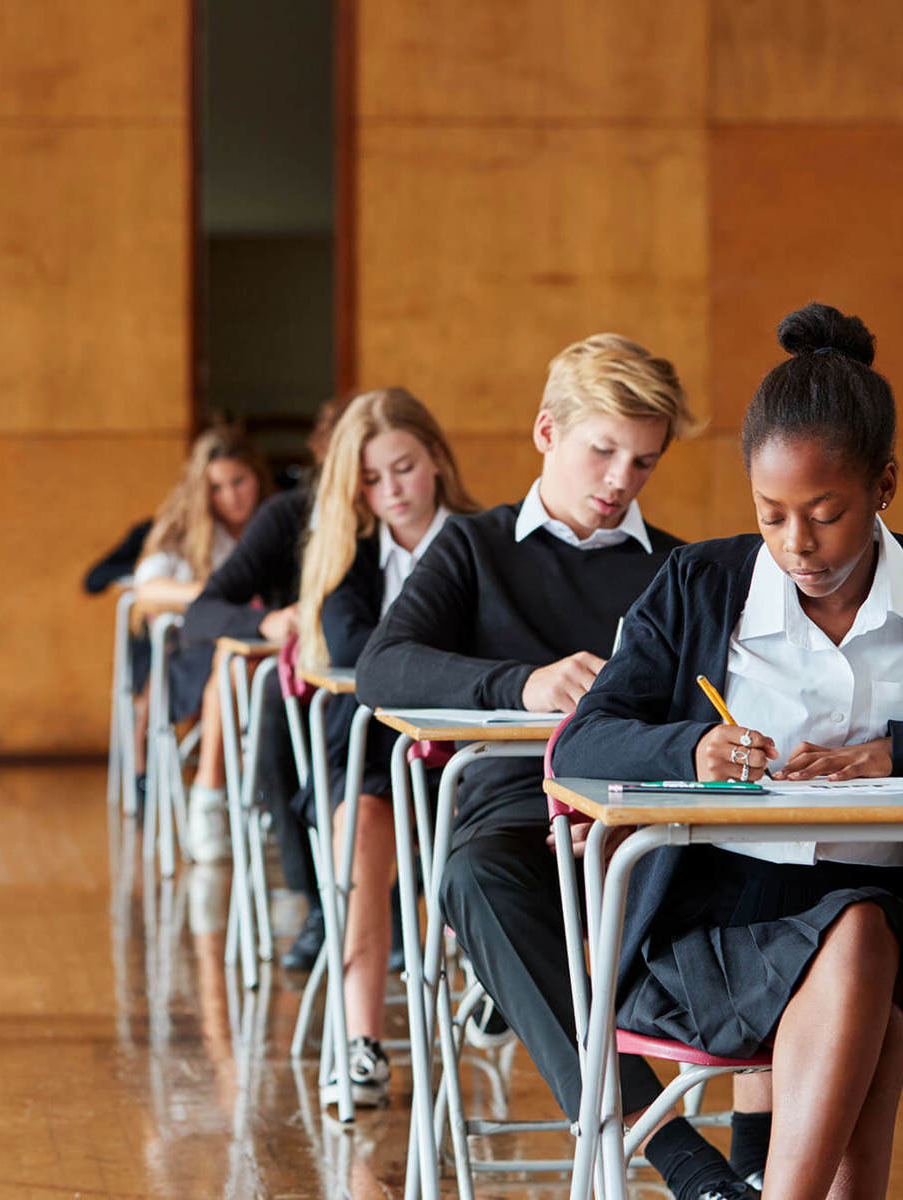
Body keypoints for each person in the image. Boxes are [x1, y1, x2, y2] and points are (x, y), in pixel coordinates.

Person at [357, 336, 768, 1197]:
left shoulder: (679, 569)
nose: (621, 479)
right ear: (547, 432)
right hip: (515, 821)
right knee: (473, 877)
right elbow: (382, 667)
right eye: (603, 450)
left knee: (778, 886)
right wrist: (523, 682)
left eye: (644, 462)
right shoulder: (474, 547)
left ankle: (759, 1164)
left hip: (650, 822)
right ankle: (682, 1162)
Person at [554, 302, 903, 1200]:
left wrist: (889, 754)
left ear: (885, 485)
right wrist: (693, 746)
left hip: (892, 900)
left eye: (825, 513)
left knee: (871, 946)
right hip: (724, 919)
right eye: (772, 514)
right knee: (866, 953)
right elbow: (582, 743)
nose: (798, 546)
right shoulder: (702, 584)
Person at [294, 387, 478, 1107]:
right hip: (369, 759)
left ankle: (498, 982)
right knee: (362, 832)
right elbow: (357, 653)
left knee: (501, 826)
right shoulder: (347, 555)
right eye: (371, 479)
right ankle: (359, 1039)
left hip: (469, 755)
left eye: (402, 468)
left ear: (435, 457)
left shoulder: (481, 540)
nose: (390, 491)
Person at [182, 395, 350, 968]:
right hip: (309, 685)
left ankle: (401, 908)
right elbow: (203, 610)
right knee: (276, 704)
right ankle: (317, 904)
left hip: (394, 686)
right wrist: (265, 621)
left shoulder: (433, 521)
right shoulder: (289, 516)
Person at [131, 424, 270, 860]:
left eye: (239, 482)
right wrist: (214, 596)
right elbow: (148, 589)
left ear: (257, 478)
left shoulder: (275, 521)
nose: (230, 496)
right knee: (232, 662)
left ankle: (257, 793)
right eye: (216, 487)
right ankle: (211, 794)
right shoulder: (185, 529)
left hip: (265, 651)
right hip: (203, 656)